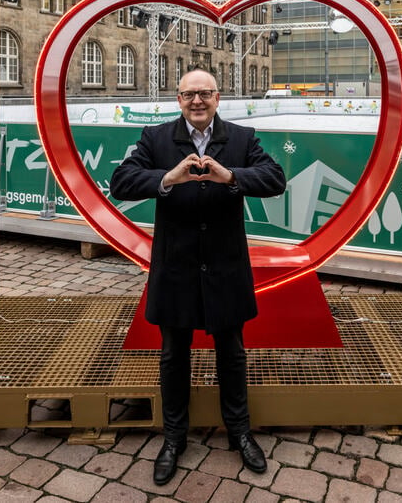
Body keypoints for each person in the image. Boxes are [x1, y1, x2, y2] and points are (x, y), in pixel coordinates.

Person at [110, 69, 286, 485]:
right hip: (176, 266)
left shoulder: (242, 139)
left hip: (225, 265)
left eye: (205, 93)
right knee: (173, 356)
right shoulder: (155, 139)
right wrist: (167, 178)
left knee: (233, 354)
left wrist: (232, 177)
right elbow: (121, 182)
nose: (197, 101)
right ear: (178, 99)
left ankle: (239, 432)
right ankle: (174, 438)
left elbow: (276, 178)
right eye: (189, 94)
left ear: (217, 97)